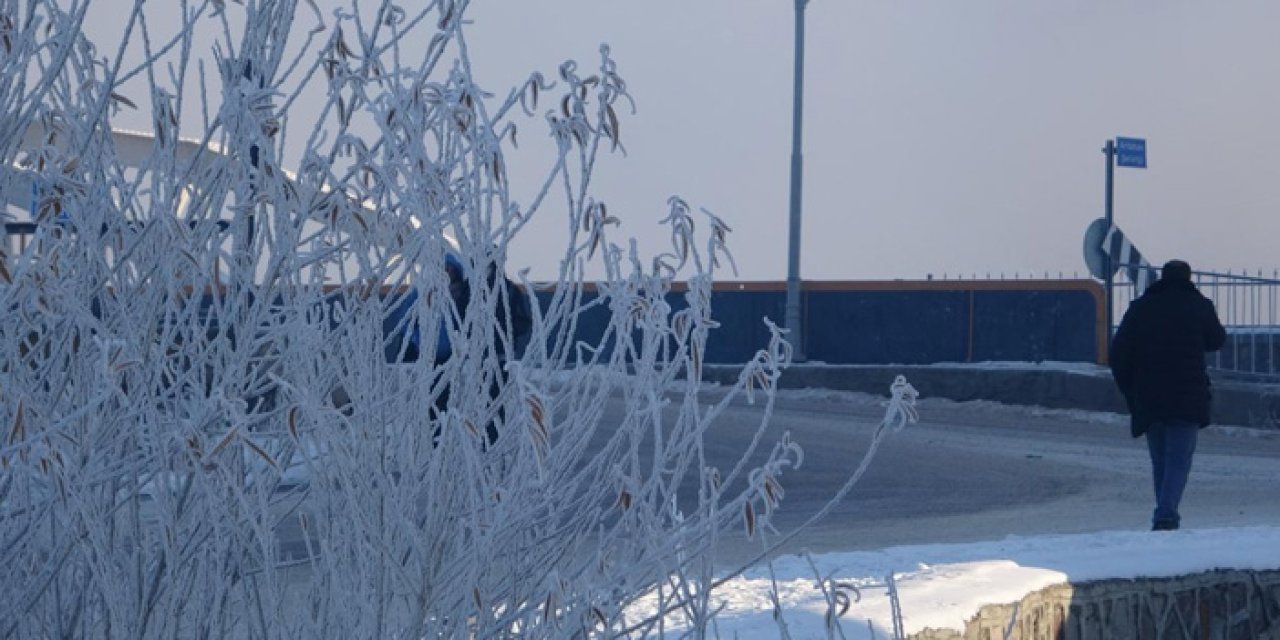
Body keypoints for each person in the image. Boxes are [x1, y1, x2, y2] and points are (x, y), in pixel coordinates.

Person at [1109, 259, 1226, 531]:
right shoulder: (1198, 305)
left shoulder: (1141, 307)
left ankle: (1164, 509)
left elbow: (1119, 353)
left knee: (1160, 458)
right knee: (1179, 459)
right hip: (1187, 393)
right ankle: (1166, 513)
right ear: (1188, 278)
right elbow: (1217, 339)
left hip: (1149, 395)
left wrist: (1131, 389)